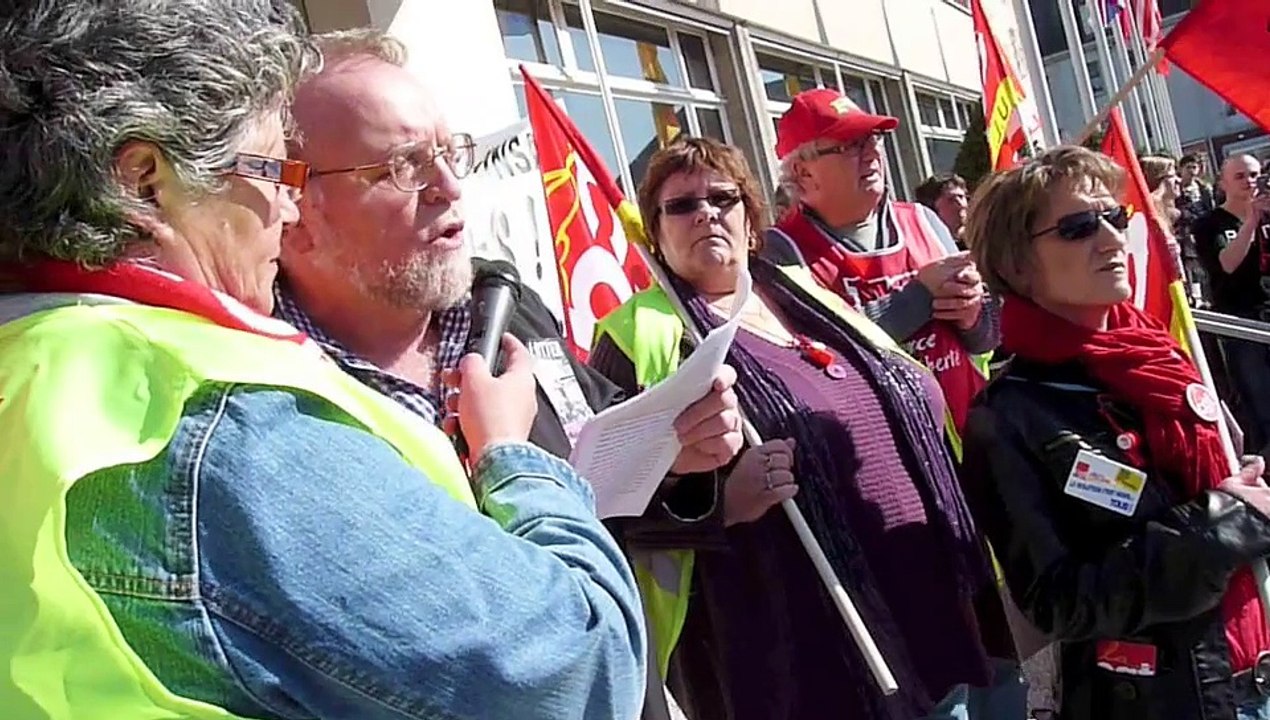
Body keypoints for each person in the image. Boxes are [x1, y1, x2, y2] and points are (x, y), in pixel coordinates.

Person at [0, 3, 647, 719]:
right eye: (273, 169)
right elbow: (579, 670)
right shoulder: (216, 425)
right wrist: (510, 458)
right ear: (145, 182)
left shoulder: (29, 365)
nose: (286, 204)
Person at [591, 136, 1020, 720]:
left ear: (750, 220)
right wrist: (718, 503)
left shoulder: (804, 295)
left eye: (723, 198)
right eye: (681, 206)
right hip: (811, 656)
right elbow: (601, 499)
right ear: (657, 235)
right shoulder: (638, 335)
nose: (706, 213)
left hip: (940, 613)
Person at [276, 28, 740, 473]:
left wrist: (673, 450)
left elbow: (597, 450)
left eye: (449, 154)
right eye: (405, 166)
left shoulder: (506, 304)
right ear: (295, 208)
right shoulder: (264, 398)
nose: (451, 187)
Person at [961, 145, 1270, 720]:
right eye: (1079, 227)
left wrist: (1245, 492)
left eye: (1115, 218)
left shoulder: (1159, 356)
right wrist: (1222, 523)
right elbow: (1058, 599)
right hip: (1165, 699)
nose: (1109, 239)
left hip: (1252, 664)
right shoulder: (1011, 416)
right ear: (1017, 265)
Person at [764, 89, 997, 430]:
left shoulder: (923, 220)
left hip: (973, 444)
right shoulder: (781, 252)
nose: (872, 152)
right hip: (883, 456)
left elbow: (987, 340)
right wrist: (918, 297)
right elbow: (816, 360)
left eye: (874, 139)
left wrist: (973, 315)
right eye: (850, 144)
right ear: (803, 172)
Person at [1193, 154, 1270, 455]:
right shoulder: (1209, 224)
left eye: (1254, 175)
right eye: (1240, 176)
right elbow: (1227, 263)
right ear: (1222, 183)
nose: (1249, 182)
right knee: (1261, 400)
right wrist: (1251, 221)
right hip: (1241, 321)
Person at [915, 173, 970, 247]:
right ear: (932, 207)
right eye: (951, 200)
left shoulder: (980, 240)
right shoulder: (927, 246)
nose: (961, 205)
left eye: (961, 197)